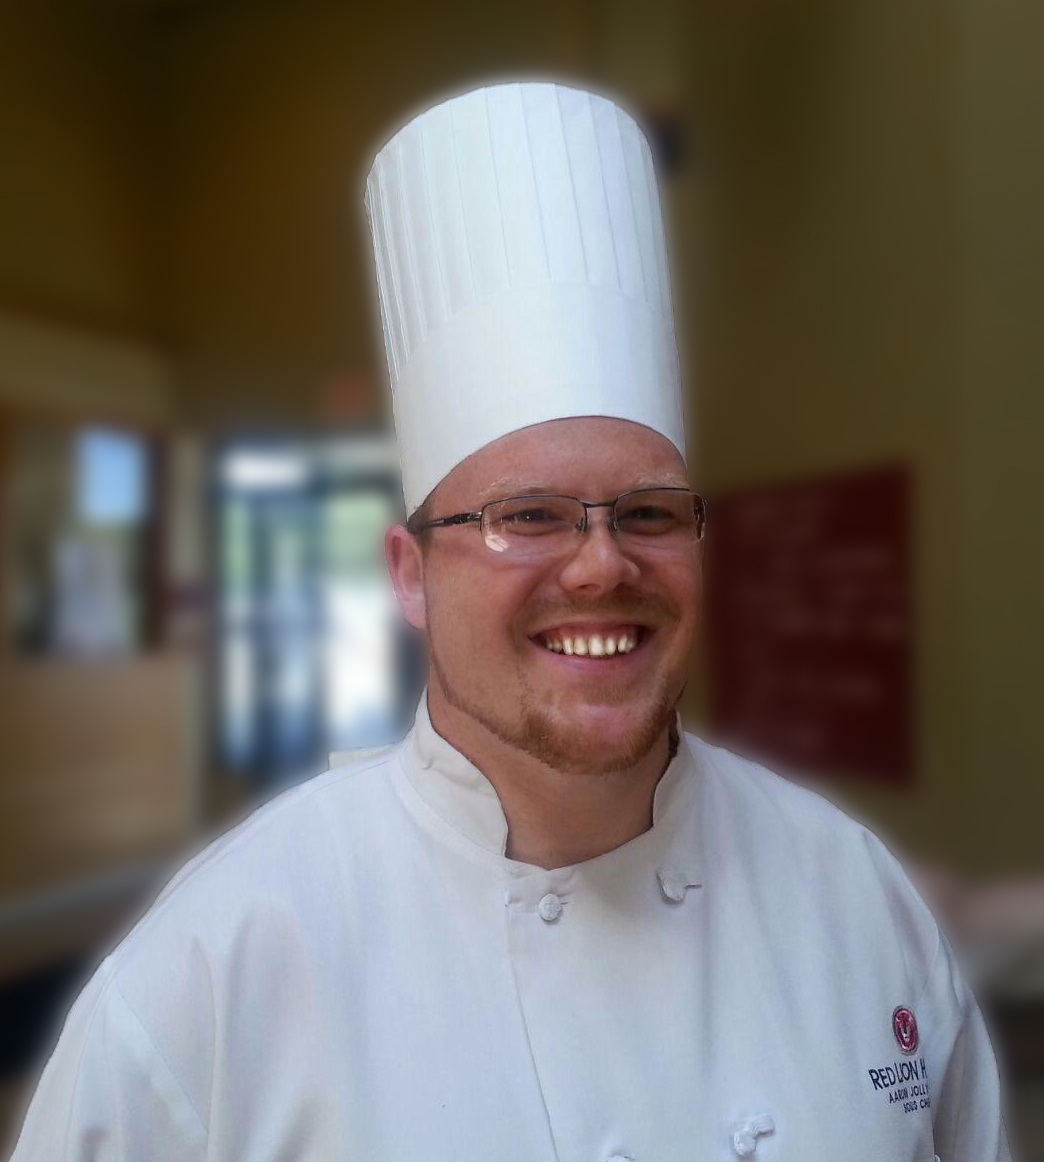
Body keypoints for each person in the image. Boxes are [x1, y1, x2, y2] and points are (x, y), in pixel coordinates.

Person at [9, 81, 1011, 1162]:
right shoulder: (210, 979)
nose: (601, 563)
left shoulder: (854, 893)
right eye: (526, 516)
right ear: (410, 575)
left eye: (649, 513)